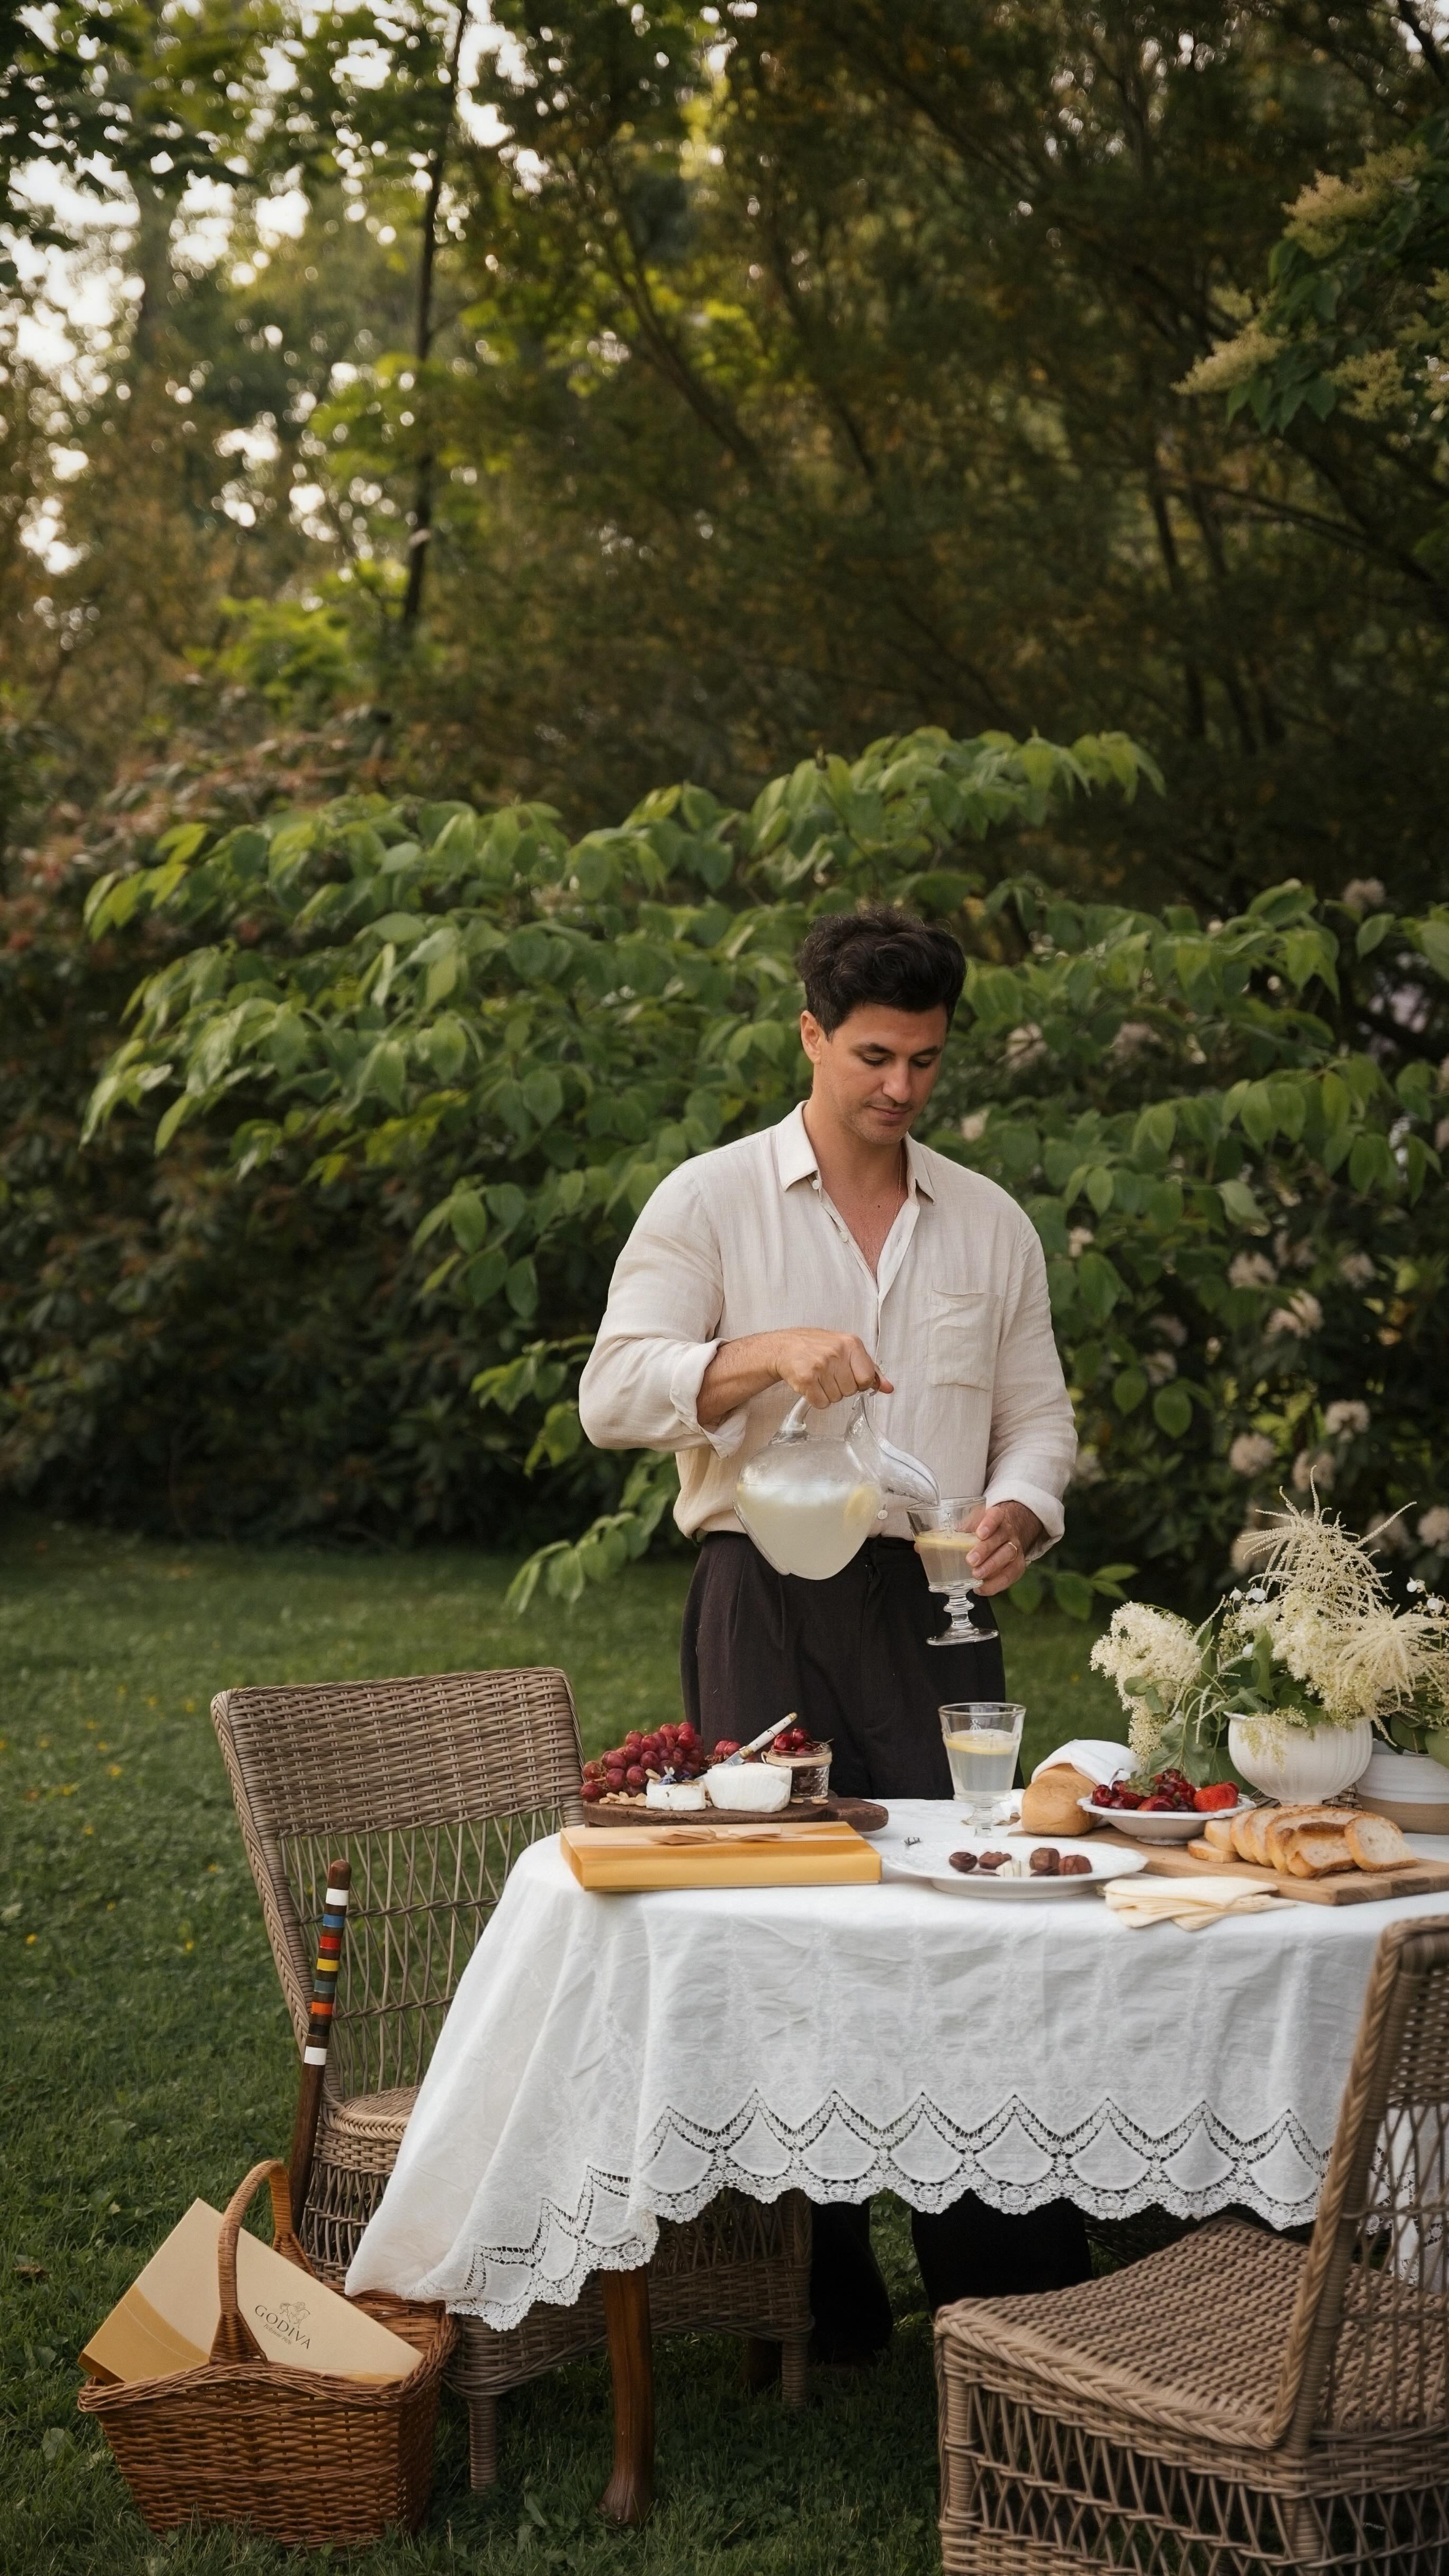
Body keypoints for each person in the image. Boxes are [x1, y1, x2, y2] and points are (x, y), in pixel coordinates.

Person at [578, 903, 1088, 2358]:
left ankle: (1003, 2274)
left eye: (928, 1061)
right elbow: (613, 1394)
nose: (904, 1090)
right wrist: (760, 1357)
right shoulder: (713, 1200)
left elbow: (1039, 1416)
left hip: (938, 1603)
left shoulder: (988, 1220)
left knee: (963, 1911)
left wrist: (1024, 1510)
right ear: (808, 1034)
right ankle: (812, 2288)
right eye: (875, 1056)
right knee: (792, 1921)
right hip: (766, 1601)